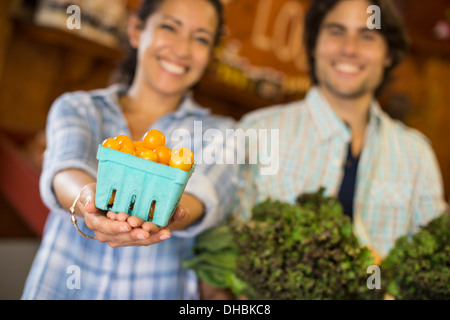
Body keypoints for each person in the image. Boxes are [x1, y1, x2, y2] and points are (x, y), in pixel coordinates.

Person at [22, 0, 237, 300]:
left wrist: (166, 212)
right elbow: (65, 170)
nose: (182, 48)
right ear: (137, 30)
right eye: (169, 27)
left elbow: (201, 197)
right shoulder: (79, 107)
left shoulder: (223, 133)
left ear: (210, 54)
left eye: (200, 38)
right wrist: (89, 200)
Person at [236, 0, 448, 261]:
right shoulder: (257, 132)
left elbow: (435, 260)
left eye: (367, 36)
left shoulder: (416, 155)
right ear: (314, 45)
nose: (349, 48)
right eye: (336, 32)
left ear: (388, 54)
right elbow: (226, 244)